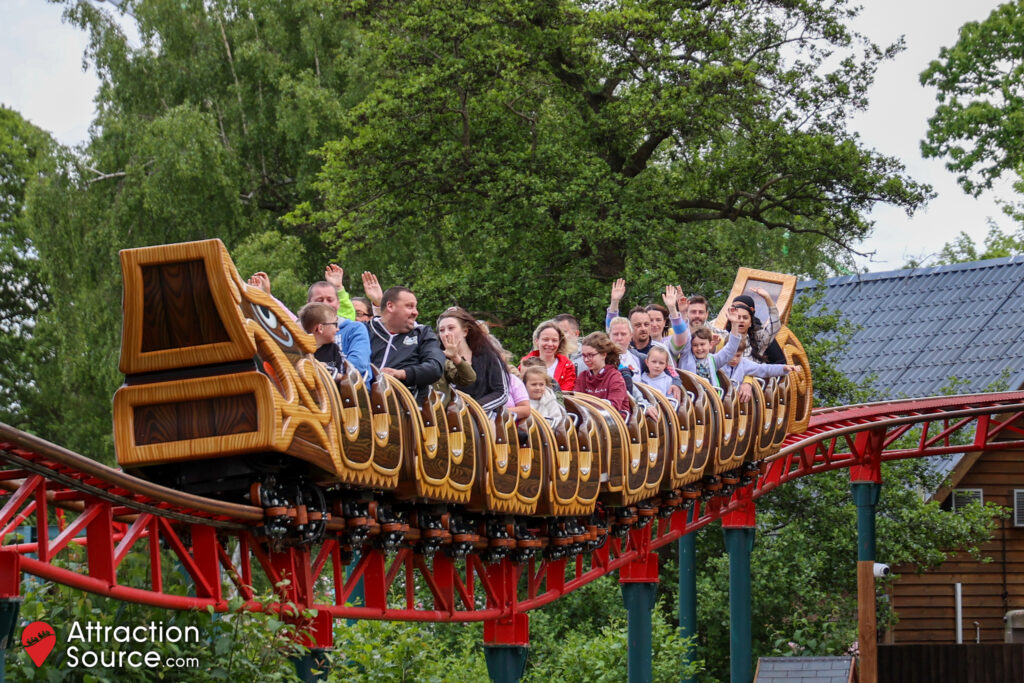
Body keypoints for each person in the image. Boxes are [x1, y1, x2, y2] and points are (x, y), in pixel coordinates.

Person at [248, 269, 372, 380]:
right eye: (319, 301)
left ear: (338, 303)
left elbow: (356, 369)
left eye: (330, 300)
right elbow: (283, 319)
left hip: (346, 392)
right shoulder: (300, 331)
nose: (325, 304)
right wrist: (265, 297)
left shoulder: (354, 329)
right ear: (309, 304)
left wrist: (326, 372)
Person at [367, 286, 445, 401]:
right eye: (409, 306)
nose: (416, 312)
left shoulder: (422, 333)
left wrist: (401, 374)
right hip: (364, 402)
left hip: (407, 407)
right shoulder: (365, 330)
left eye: (415, 307)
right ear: (390, 306)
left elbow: (435, 368)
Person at [436, 307, 509, 415]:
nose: (446, 333)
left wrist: (474, 409)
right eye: (442, 330)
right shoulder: (436, 359)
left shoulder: (487, 355)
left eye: (451, 328)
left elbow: (501, 393)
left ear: (465, 331)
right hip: (448, 417)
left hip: (484, 415)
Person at [573, 332, 631, 420]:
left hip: (614, 423)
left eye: (591, 355)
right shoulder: (582, 376)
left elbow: (614, 406)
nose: (586, 359)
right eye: (584, 355)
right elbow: (576, 402)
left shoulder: (615, 377)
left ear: (603, 354)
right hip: (590, 422)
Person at [722, 340, 800, 402]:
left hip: (737, 400)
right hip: (721, 397)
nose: (734, 359)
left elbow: (764, 369)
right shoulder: (719, 362)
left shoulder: (744, 364)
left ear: (742, 353)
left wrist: (783, 368)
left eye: (738, 355)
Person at [725, 288, 781, 362]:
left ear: (750, 322)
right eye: (737, 317)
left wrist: (767, 297)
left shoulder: (758, 338)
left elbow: (775, 324)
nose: (741, 320)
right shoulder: (723, 336)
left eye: (745, 318)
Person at [519, 321, 577, 391]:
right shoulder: (525, 364)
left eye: (554, 340)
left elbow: (566, 393)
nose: (550, 344)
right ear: (537, 341)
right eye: (545, 339)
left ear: (559, 343)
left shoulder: (567, 366)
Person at [297, 302, 346, 377]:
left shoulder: (334, 349)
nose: (338, 329)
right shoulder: (300, 352)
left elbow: (342, 377)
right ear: (320, 328)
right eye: (335, 324)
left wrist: (328, 372)